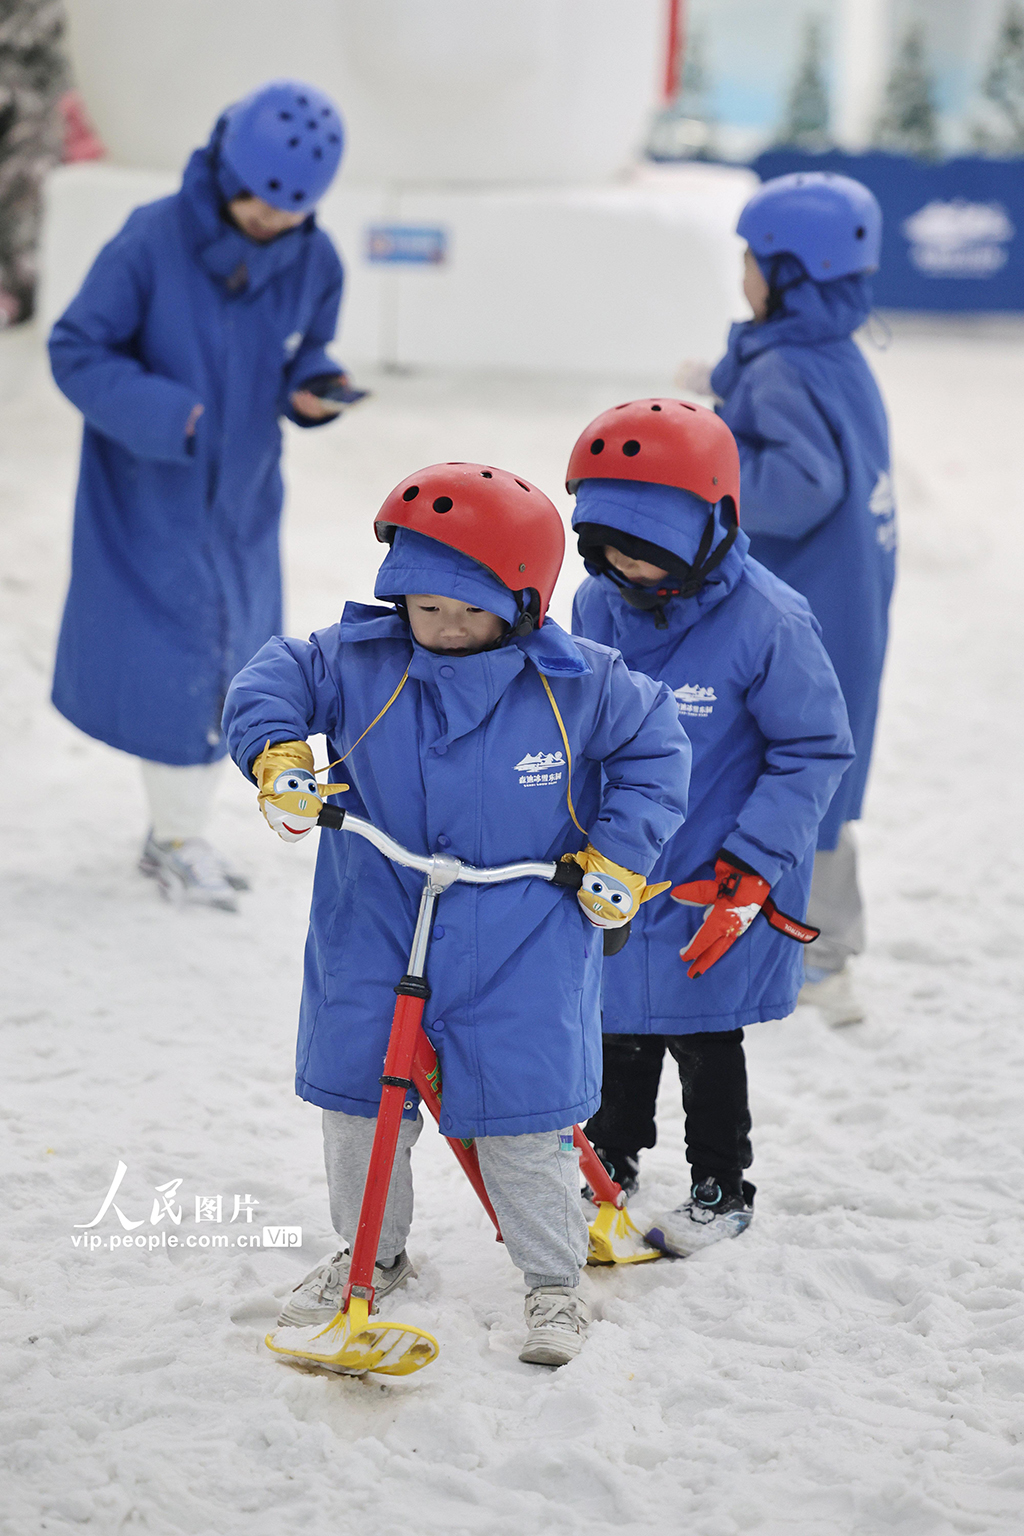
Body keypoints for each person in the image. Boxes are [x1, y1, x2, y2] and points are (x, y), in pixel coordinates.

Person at [221, 462, 691, 1366]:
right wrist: (277, 752)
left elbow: (654, 749)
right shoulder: (363, 658)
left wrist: (621, 854)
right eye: (421, 606)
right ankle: (373, 1255)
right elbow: (275, 674)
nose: (437, 629)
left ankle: (553, 1283)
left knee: (521, 1114)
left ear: (521, 602)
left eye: (464, 611)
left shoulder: (580, 683)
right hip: (374, 916)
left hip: (524, 930)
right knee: (360, 1100)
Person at [49, 79, 352, 910]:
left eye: (289, 213)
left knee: (237, 664)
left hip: (245, 502)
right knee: (178, 668)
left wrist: (314, 388)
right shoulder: (150, 241)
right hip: (152, 493)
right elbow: (76, 348)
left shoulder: (316, 261)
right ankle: (177, 836)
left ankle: (174, 831)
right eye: (259, 205)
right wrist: (172, 417)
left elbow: (307, 350)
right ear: (225, 171)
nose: (271, 224)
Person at [568, 398, 853, 1256]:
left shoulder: (770, 621)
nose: (628, 565)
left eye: (650, 549)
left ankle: (721, 1183)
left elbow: (813, 749)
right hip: (623, 868)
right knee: (614, 1025)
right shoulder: (594, 604)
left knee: (703, 1038)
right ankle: (606, 1162)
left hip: (714, 882)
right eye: (612, 545)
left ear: (716, 526)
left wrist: (752, 860)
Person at [709, 172, 895, 1025]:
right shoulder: (829, 349)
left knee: (801, 764)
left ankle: (820, 956)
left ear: (789, 271)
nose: (740, 273)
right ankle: (818, 944)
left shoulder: (785, 363)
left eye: (750, 259)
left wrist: (706, 471)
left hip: (814, 603)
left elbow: (798, 484)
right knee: (821, 762)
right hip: (849, 593)